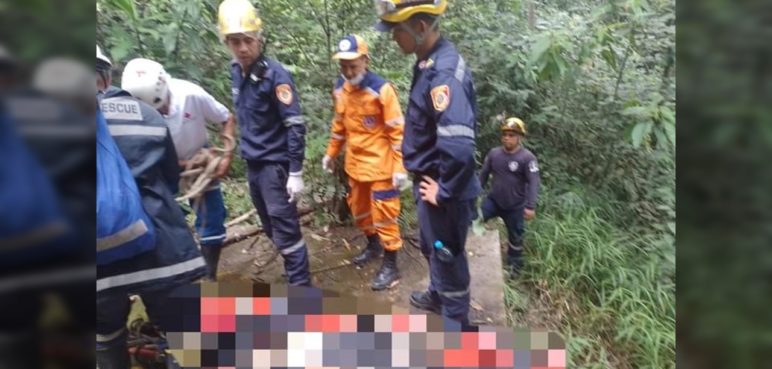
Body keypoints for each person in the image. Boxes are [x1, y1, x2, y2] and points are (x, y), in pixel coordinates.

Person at [96, 45, 206, 369]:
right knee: (184, 342)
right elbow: (171, 180)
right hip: (162, 250)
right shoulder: (147, 115)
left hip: (97, 264)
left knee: (106, 341)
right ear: (107, 75)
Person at [375, 0, 481, 324]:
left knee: (449, 261)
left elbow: (460, 147)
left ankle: (455, 330)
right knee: (432, 248)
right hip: (430, 180)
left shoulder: (443, 73)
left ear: (420, 28)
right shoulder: (426, 63)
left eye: (397, 31)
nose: (393, 38)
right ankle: (436, 295)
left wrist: (444, 191)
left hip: (445, 188)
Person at [216, 0, 311, 286]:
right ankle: (294, 270)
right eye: (235, 41)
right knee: (270, 225)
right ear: (226, 42)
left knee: (285, 228)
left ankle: (301, 289)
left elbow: (294, 124)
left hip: (275, 166)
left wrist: (295, 172)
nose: (243, 48)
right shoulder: (236, 71)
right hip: (254, 164)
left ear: (259, 38)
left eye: (247, 40)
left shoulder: (275, 75)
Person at [121, 57, 236, 281]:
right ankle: (176, 272)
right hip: (160, 165)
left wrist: (226, 155)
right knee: (164, 219)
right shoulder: (131, 111)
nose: (161, 112)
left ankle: (209, 276)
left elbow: (226, 118)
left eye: (162, 106)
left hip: (199, 159)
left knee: (212, 218)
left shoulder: (190, 94)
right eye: (156, 110)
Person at [322, 34, 408, 290]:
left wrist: (400, 167)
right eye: (343, 66)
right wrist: (330, 153)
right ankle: (373, 246)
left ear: (365, 61)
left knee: (384, 215)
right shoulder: (340, 88)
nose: (348, 71)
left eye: (353, 65)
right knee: (359, 210)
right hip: (355, 165)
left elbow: (397, 132)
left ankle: (391, 263)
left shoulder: (382, 90)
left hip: (381, 166)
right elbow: (339, 127)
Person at [479, 117, 541, 274]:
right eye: (505, 134)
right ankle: (464, 252)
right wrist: (474, 192)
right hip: (494, 201)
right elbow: (483, 175)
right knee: (473, 220)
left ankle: (515, 267)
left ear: (520, 137)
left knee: (516, 237)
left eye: (512, 135)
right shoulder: (494, 154)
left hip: (515, 206)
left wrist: (530, 206)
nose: (507, 137)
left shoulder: (527, 158)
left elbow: (534, 182)